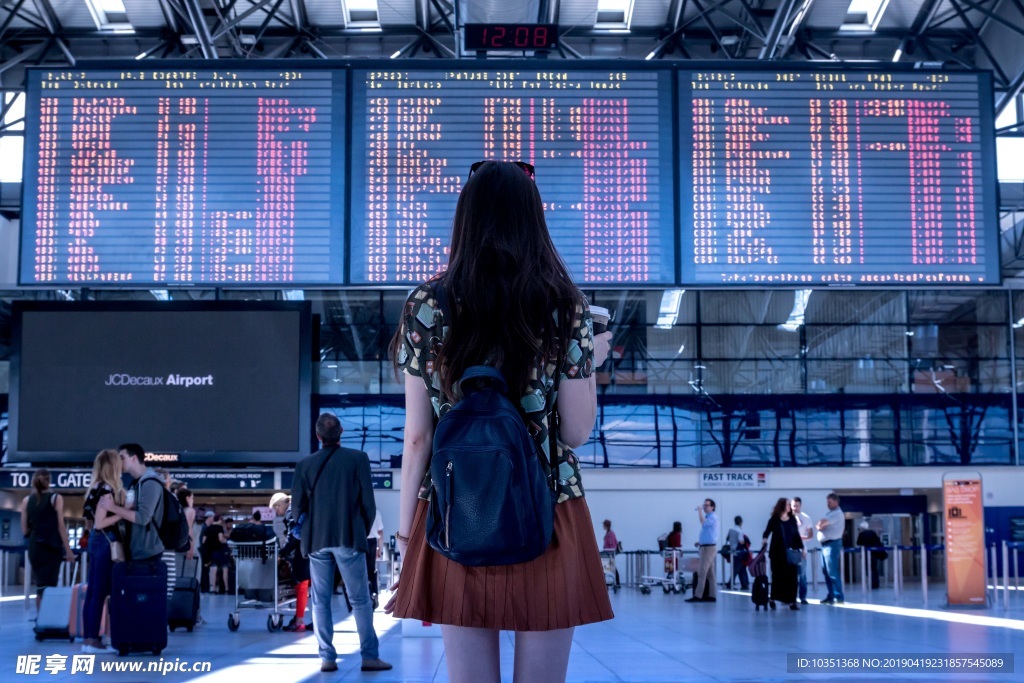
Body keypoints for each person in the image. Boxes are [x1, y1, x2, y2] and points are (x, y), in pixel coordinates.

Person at [387, 160, 614, 683]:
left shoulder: (427, 304)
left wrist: (405, 535)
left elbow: (418, 435)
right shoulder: (565, 305)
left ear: (465, 219)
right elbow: (577, 433)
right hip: (549, 509)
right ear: (533, 220)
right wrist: (587, 364)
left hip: (454, 509)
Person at [292, 413, 390, 673]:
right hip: (349, 536)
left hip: (316, 541)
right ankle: (369, 656)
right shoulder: (357, 459)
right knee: (360, 600)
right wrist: (361, 529)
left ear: (317, 436)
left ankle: (327, 658)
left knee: (320, 600)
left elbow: (296, 509)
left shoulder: (304, 465)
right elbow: (369, 504)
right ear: (342, 432)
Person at [81, 449, 126, 653]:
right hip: (106, 542)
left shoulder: (94, 488)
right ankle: (93, 640)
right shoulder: (107, 489)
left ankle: (88, 638)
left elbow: (92, 523)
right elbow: (100, 522)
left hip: (95, 542)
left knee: (92, 592)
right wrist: (123, 513)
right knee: (99, 592)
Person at [98, 444, 165, 566]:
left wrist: (113, 508)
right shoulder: (137, 483)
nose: (119, 461)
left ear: (134, 458)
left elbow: (143, 518)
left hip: (147, 553)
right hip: (138, 551)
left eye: (122, 458)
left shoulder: (150, 483)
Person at [20, 468, 76, 611]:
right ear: (49, 480)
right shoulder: (56, 498)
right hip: (51, 547)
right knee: (50, 583)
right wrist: (68, 551)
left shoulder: (26, 500)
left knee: (40, 584)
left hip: (35, 547)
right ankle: (47, 618)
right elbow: (61, 526)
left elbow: (24, 529)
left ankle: (41, 619)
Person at [269, 492, 310, 632]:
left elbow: (294, 534)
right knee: (308, 586)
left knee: (302, 585)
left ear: (280, 504)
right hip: (311, 549)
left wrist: (283, 552)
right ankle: (302, 618)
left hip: (303, 552)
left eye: (276, 509)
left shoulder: (291, 512)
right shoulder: (299, 507)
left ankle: (299, 621)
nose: (277, 512)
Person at [762, 498, 803, 611]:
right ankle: (773, 598)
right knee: (777, 577)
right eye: (787, 505)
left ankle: (792, 601)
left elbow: (796, 535)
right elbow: (767, 531)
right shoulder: (774, 519)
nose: (790, 506)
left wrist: (802, 548)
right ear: (782, 506)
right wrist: (765, 539)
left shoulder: (792, 519)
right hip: (777, 553)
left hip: (791, 552)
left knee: (792, 578)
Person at [175, 488, 203, 624]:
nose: (193, 500)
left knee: (178, 581)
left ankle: (179, 612)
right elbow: (188, 529)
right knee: (194, 581)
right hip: (188, 549)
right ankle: (195, 614)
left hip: (177, 550)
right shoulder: (190, 511)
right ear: (187, 498)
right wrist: (191, 548)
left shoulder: (176, 510)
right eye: (192, 498)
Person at [686, 499, 720, 603]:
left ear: (712, 507)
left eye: (707, 505)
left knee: (701, 571)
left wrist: (699, 512)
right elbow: (710, 534)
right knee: (710, 574)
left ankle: (698, 595)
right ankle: (712, 595)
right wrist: (701, 542)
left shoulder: (712, 517)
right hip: (706, 546)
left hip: (708, 549)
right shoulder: (709, 517)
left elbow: (703, 523)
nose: (704, 507)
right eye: (704, 505)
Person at [816, 492, 845, 605]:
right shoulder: (830, 513)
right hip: (825, 545)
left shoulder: (836, 514)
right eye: (827, 502)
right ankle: (831, 596)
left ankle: (839, 597)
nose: (827, 504)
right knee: (826, 572)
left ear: (836, 502)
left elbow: (821, 523)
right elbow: (820, 523)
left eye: (830, 502)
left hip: (832, 544)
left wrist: (820, 525)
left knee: (832, 571)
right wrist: (820, 524)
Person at [791, 497, 815, 605]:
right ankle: (790, 597)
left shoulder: (806, 518)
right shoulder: (787, 518)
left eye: (797, 505)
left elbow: (811, 534)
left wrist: (804, 538)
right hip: (790, 550)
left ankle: (803, 597)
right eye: (793, 505)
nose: (795, 508)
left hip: (801, 550)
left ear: (801, 506)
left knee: (802, 575)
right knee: (790, 575)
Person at [201, 515, 230, 594]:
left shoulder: (208, 528)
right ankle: (226, 589)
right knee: (225, 568)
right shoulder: (219, 528)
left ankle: (212, 588)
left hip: (211, 552)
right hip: (220, 551)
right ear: (220, 520)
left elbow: (203, 541)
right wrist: (226, 541)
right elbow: (220, 539)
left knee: (213, 570)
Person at [856, 521, 885, 590]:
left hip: (865, 554)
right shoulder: (873, 533)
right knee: (874, 569)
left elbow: (858, 542)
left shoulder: (862, 534)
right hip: (874, 554)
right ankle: (876, 584)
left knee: (868, 569)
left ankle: (871, 583)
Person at [366, 510, 384, 609]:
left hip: (358, 542)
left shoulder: (355, 509)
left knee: (360, 571)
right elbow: (380, 532)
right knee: (371, 570)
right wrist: (379, 549)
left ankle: (363, 596)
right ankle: (374, 594)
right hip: (372, 543)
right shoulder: (376, 512)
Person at [726, 516, 749, 590]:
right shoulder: (740, 531)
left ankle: (744, 584)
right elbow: (741, 542)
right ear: (741, 522)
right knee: (736, 569)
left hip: (732, 551)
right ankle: (730, 584)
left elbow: (728, 539)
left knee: (741, 568)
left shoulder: (731, 530)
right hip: (739, 552)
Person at [602, 520, 620, 588]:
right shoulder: (608, 533)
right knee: (607, 567)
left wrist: (608, 551)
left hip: (610, 553)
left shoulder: (611, 534)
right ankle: (606, 582)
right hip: (607, 553)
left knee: (610, 567)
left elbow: (612, 545)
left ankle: (617, 582)